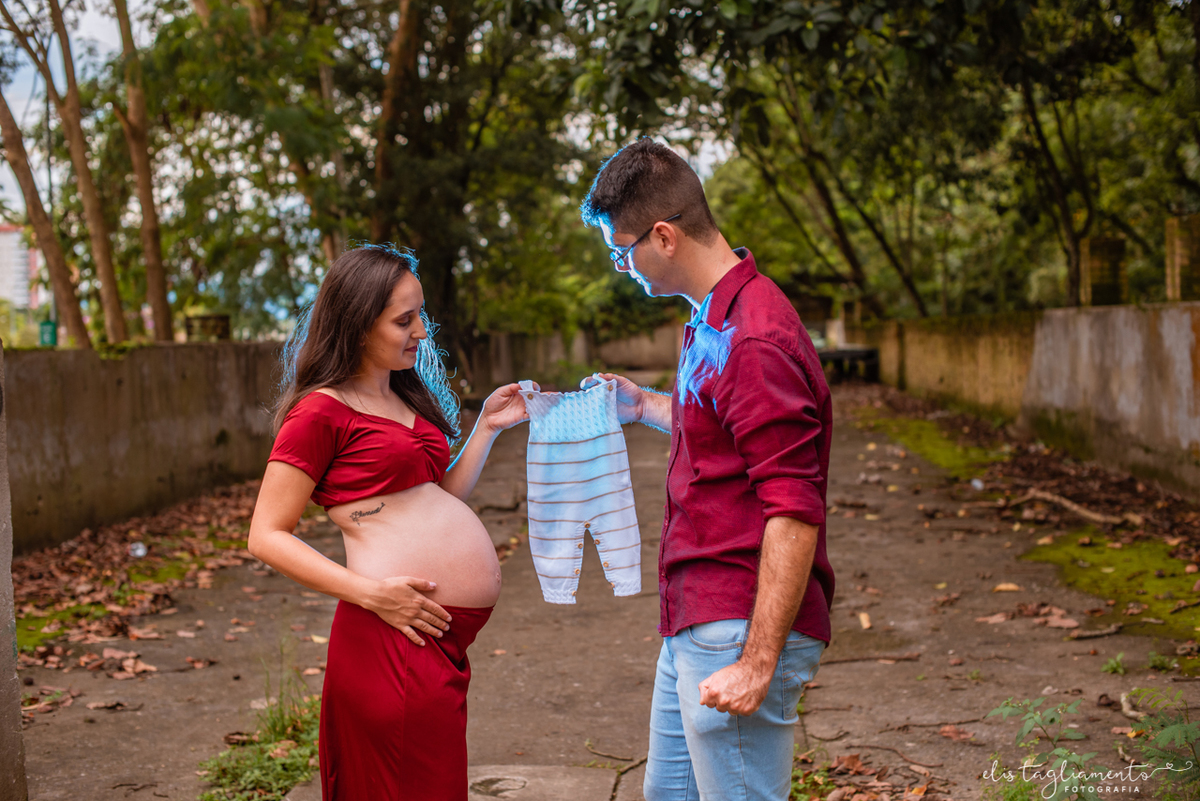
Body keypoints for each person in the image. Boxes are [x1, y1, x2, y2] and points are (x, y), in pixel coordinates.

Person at [579, 139, 837, 801]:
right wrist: (643, 404)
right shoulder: (712, 317)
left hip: (737, 617)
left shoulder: (752, 337)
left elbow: (794, 508)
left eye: (622, 248)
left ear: (662, 236)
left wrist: (757, 660)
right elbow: (720, 426)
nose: (620, 265)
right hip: (699, 613)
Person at [247, 245, 529, 800]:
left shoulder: (404, 395)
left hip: (433, 638)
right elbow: (266, 535)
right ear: (356, 325)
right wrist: (373, 595)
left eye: (420, 313)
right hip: (391, 633)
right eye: (404, 319)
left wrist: (487, 428)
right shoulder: (320, 411)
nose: (422, 330)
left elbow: (435, 495)